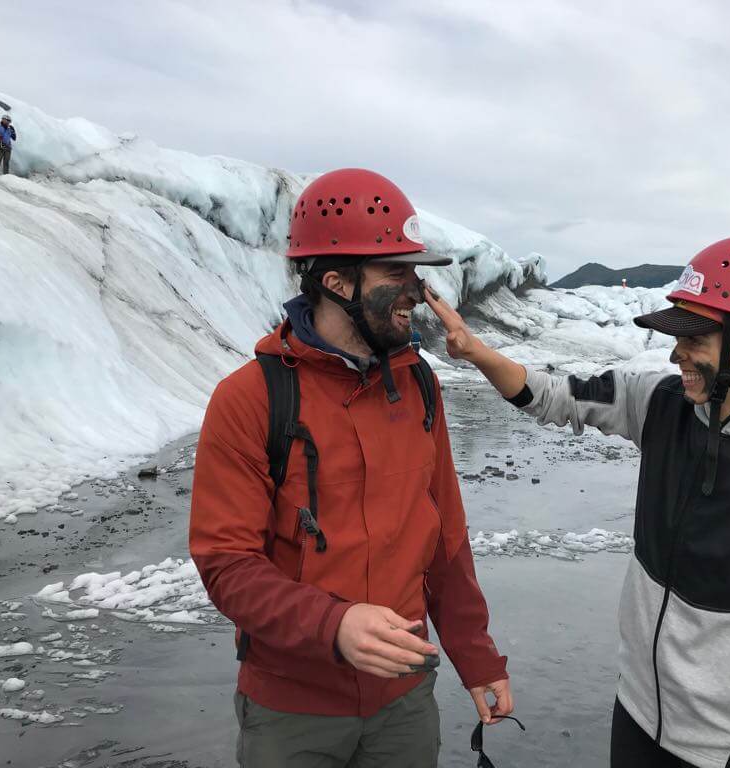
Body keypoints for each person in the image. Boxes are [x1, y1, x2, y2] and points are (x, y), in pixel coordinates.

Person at [425, 236, 730, 768]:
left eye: (694, 337)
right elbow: (549, 394)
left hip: (727, 748)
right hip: (636, 715)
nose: (675, 352)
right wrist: (475, 350)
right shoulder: (660, 403)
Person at [189, 168, 512, 767]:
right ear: (336, 282)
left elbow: (446, 538)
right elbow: (226, 564)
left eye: (416, 272)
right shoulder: (250, 399)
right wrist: (333, 624)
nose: (417, 290)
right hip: (293, 713)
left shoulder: (418, 385)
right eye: (397, 273)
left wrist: (476, 656)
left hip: (404, 701)